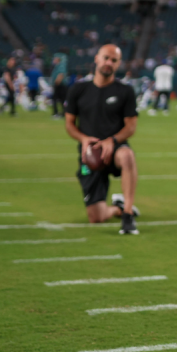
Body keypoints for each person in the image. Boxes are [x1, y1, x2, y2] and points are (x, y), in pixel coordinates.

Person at [63, 44, 140, 235]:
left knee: (128, 156)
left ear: (119, 64)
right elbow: (69, 124)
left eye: (114, 61)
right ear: (96, 58)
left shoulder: (125, 91)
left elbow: (131, 126)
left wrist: (112, 141)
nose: (109, 63)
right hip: (89, 155)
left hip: (115, 148)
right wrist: (84, 139)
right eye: (106, 58)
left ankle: (128, 216)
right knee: (95, 218)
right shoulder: (78, 90)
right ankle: (118, 208)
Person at [50, 52, 68, 120]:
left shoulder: (61, 65)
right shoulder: (58, 65)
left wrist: (56, 83)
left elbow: (61, 75)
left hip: (60, 85)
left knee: (57, 99)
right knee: (61, 100)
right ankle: (63, 113)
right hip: (60, 85)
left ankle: (56, 113)